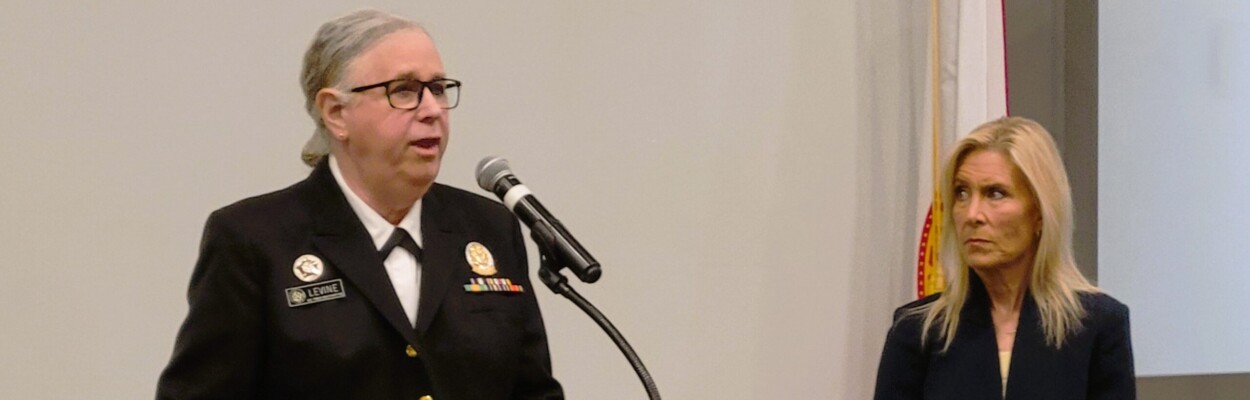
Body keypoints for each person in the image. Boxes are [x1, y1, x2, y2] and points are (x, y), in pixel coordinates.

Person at [156, 9, 564, 399]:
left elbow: (533, 392)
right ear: (336, 113)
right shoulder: (254, 240)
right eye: (403, 90)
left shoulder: (488, 228)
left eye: (438, 88)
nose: (432, 110)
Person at [873, 117, 1135, 399]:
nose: (972, 214)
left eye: (995, 193)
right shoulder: (916, 330)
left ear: (1039, 212)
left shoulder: (1097, 326)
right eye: (962, 193)